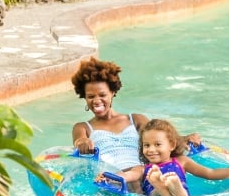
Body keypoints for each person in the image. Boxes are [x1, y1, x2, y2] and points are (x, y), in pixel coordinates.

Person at [70, 57, 200, 172]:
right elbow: (79, 140)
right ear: (84, 97)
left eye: (102, 95)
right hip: (111, 181)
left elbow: (159, 139)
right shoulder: (83, 127)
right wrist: (82, 142)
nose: (97, 101)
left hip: (144, 175)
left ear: (113, 92)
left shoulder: (136, 120)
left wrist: (183, 139)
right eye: (91, 96)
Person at [105, 118, 229, 196]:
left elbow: (210, 173)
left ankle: (169, 187)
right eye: (146, 145)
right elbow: (127, 175)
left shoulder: (182, 161)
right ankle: (165, 187)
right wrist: (111, 178)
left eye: (157, 144)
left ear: (171, 145)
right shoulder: (143, 169)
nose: (151, 149)